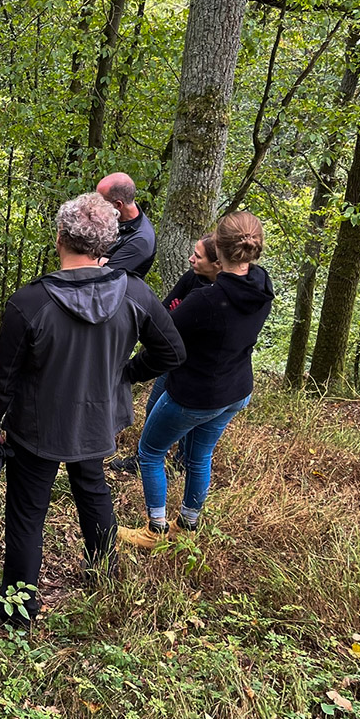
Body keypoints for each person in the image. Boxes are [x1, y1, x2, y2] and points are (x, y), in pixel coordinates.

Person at [0, 193, 184, 627]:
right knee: (93, 491)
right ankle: (105, 578)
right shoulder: (135, 293)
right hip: (96, 420)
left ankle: (15, 614)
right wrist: (123, 375)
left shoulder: (30, 302)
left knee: (27, 513)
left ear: (60, 238)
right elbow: (171, 351)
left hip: (37, 426)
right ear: (106, 244)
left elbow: (2, 378)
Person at [118, 212, 273, 548]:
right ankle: (188, 525)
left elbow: (163, 342)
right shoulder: (261, 284)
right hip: (236, 390)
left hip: (198, 394)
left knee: (150, 452)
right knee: (200, 456)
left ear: (219, 248)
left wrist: (127, 372)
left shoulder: (207, 299)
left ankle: (155, 531)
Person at [110, 234, 222, 475]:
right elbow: (163, 315)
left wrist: (179, 317)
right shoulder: (191, 278)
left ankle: (180, 462)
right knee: (154, 409)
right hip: (171, 359)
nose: (191, 258)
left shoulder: (222, 294)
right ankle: (143, 458)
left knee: (191, 422)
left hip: (198, 369)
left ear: (217, 264)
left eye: (198, 256)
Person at [96, 172, 156, 279]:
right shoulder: (112, 215)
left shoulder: (141, 240)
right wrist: (100, 261)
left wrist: (93, 260)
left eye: (100, 201)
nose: (96, 205)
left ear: (118, 204)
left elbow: (104, 276)